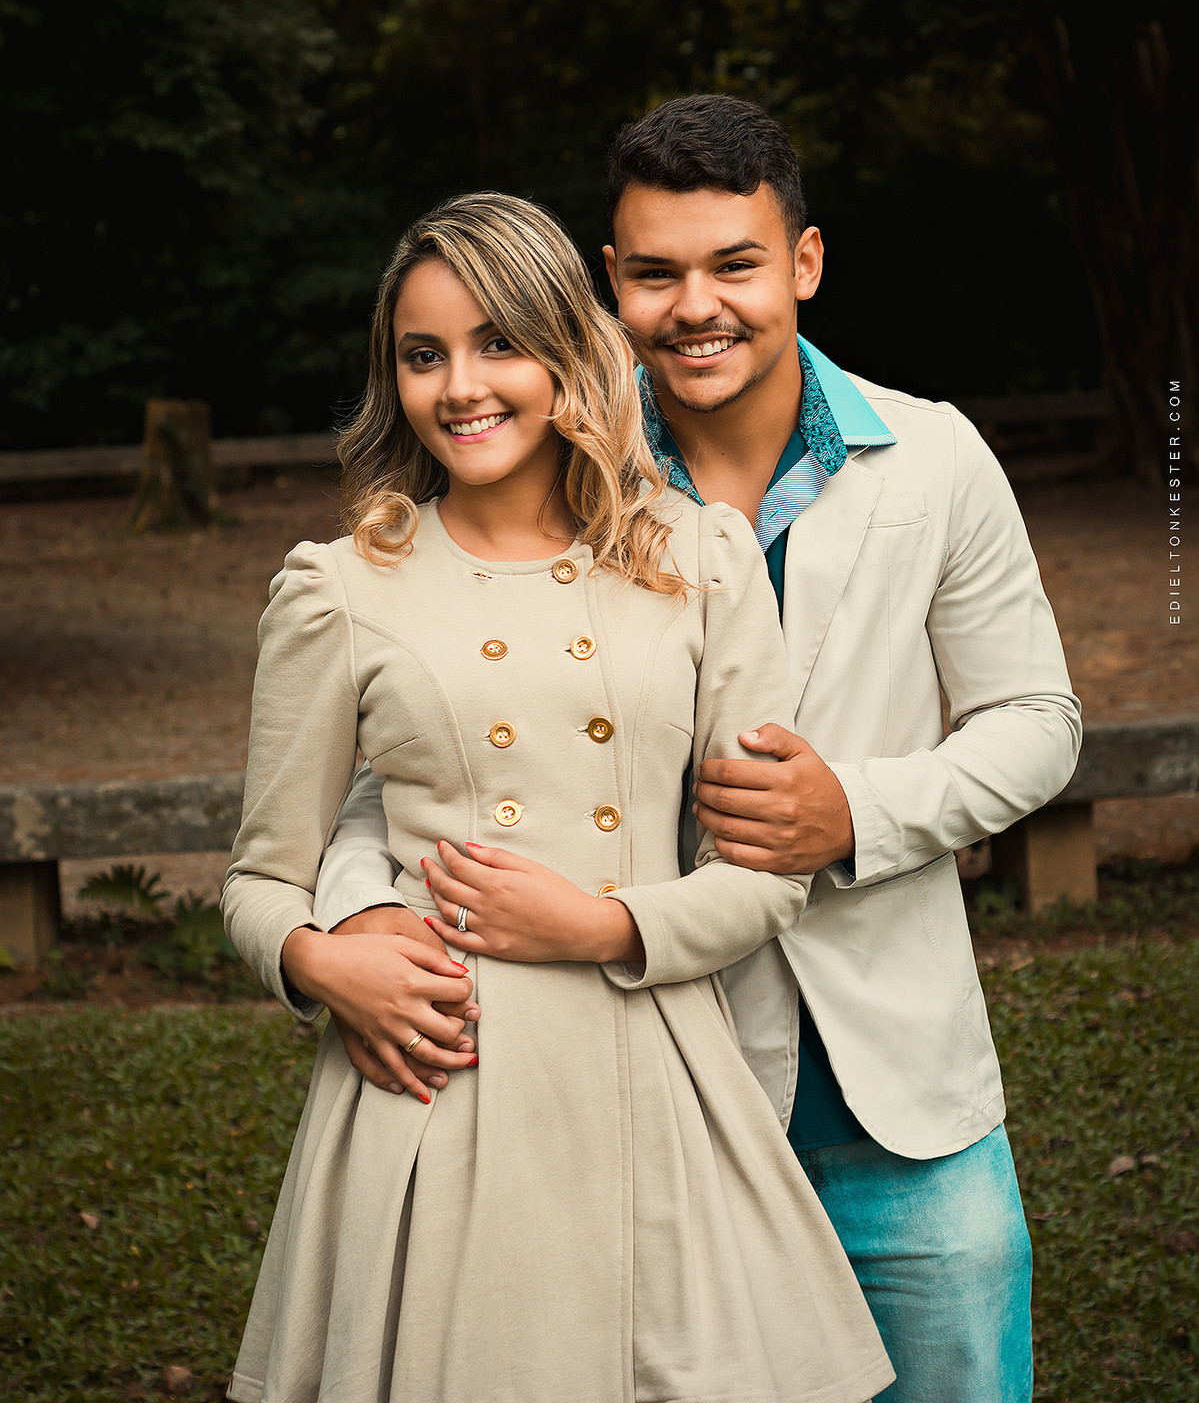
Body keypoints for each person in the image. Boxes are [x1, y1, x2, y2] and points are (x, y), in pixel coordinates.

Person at [317, 98, 1083, 1403]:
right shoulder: (543, 477)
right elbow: (404, 771)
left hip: (901, 1094)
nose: (694, 306)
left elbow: (1036, 725)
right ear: (608, 281)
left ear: (803, 262)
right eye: (655, 272)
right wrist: (339, 936)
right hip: (637, 1076)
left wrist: (857, 809)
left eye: (732, 263)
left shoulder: (933, 457)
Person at [221, 191, 893, 1403]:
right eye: (422, 355)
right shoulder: (340, 590)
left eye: (498, 343)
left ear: (567, 357)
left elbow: (765, 876)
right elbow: (265, 875)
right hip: (437, 1088)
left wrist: (604, 926)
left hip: (654, 1075)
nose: (460, 385)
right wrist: (322, 964)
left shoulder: (700, 561)